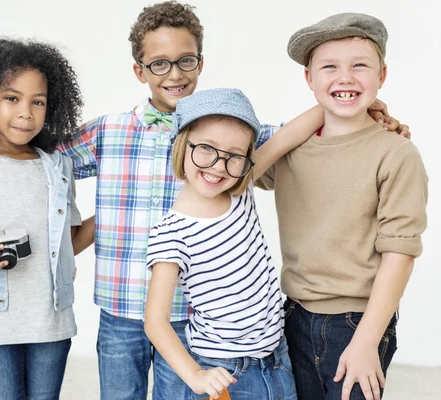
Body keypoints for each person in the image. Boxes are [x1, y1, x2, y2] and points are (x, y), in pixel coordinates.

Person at [56, 2, 406, 398]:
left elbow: (290, 136)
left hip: (198, 322)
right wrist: (62, 250)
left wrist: (354, 102)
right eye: (159, 64)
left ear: (200, 63)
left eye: (185, 60)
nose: (174, 73)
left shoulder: (233, 165)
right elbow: (45, 165)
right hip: (121, 305)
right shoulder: (109, 131)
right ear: (140, 70)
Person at [257, 13, 428, 400]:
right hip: (292, 316)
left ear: (381, 75)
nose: (345, 77)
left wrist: (367, 340)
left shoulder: (396, 153)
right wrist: (318, 114)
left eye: (360, 66)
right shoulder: (291, 148)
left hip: (357, 322)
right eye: (329, 67)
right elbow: (241, 173)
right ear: (308, 79)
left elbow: (399, 252)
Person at [144, 88, 324, 399]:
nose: (217, 165)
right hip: (224, 371)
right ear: (181, 145)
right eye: (206, 148)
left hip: (277, 359)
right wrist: (196, 376)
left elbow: (285, 138)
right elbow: (155, 322)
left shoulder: (240, 190)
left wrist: (349, 104)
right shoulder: (171, 233)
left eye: (234, 156)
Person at [0, 38, 93, 400]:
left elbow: (68, 241)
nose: (26, 112)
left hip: (51, 319)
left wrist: (114, 212)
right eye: (12, 98)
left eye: (37, 102)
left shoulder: (57, 167)